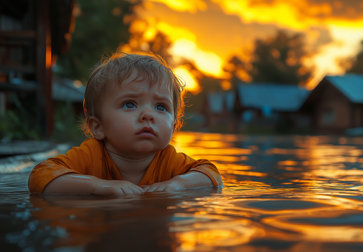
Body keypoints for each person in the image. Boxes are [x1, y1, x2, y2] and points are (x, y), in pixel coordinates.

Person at [28, 52, 223, 195]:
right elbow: (41, 175)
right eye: (130, 104)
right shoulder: (91, 156)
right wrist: (97, 186)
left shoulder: (169, 161)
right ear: (98, 126)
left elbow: (211, 174)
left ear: (173, 127)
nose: (148, 115)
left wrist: (178, 184)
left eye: (161, 107)